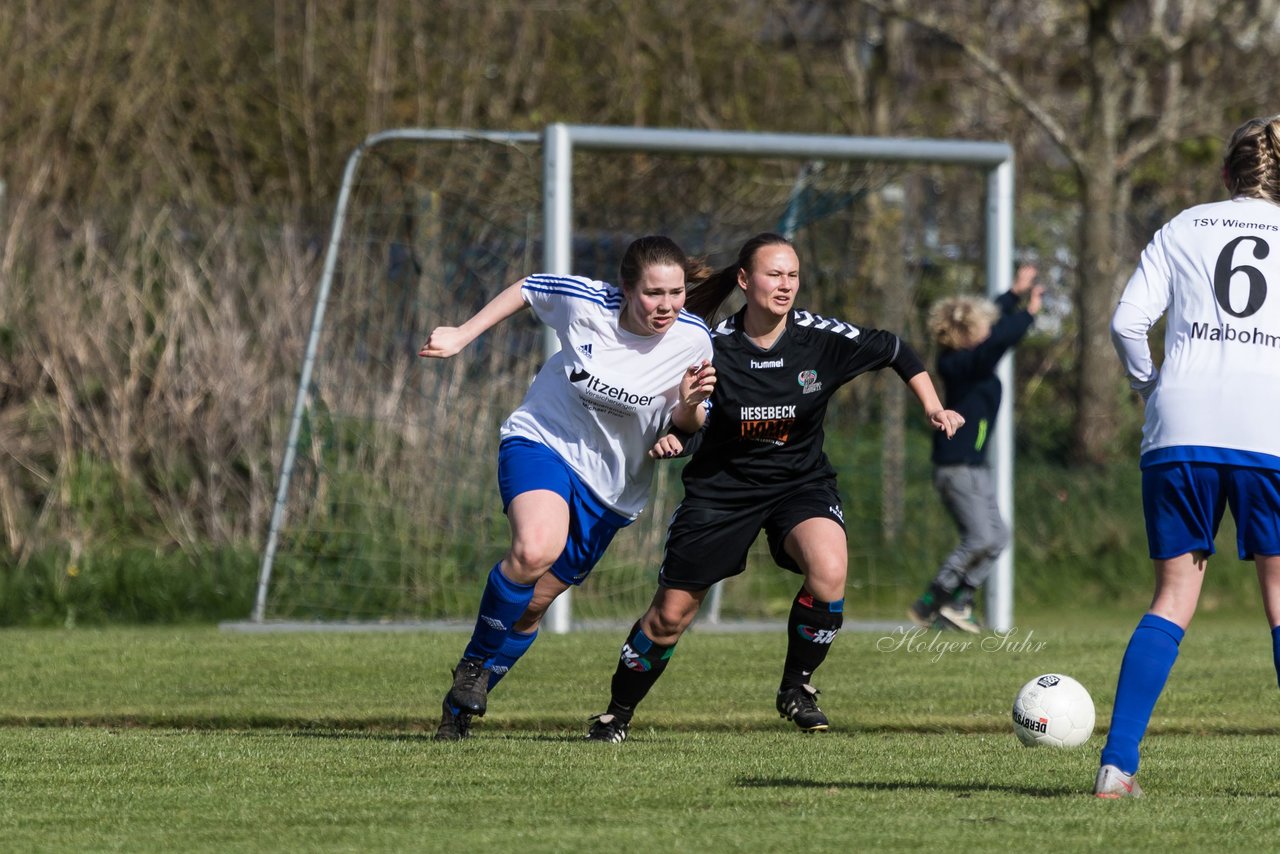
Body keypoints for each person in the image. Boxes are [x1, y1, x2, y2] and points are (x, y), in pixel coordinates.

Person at [584, 232, 965, 742]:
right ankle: (616, 712)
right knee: (670, 617)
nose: (785, 286)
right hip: (722, 493)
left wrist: (933, 406)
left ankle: (797, 687)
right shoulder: (708, 345)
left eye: (792, 275)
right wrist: (676, 436)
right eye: (773, 275)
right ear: (745, 281)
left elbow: (896, 348)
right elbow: (689, 418)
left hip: (799, 484)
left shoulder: (819, 337)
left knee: (830, 571)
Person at [418, 235, 716, 741]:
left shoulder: (693, 339)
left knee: (534, 604)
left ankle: (460, 708)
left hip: (611, 490)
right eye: (652, 293)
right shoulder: (586, 302)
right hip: (543, 442)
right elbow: (529, 287)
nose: (665, 306)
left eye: (675, 292)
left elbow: (691, 424)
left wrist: (684, 415)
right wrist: (462, 336)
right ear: (625, 288)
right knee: (536, 548)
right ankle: (472, 666)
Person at [1096, 115, 1280, 798]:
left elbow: (1125, 323)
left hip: (1181, 423)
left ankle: (1116, 768)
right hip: (1271, 429)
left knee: (1173, 597)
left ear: (1226, 174)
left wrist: (1150, 385)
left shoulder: (1182, 227)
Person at [907, 265, 1043, 633]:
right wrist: (1027, 315)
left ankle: (960, 600)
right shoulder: (961, 363)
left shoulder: (972, 356)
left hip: (975, 466)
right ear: (969, 335)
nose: (988, 329)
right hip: (956, 467)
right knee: (980, 537)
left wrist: (1014, 292)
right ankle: (932, 600)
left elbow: (993, 321)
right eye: (981, 327)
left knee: (998, 537)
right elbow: (999, 337)